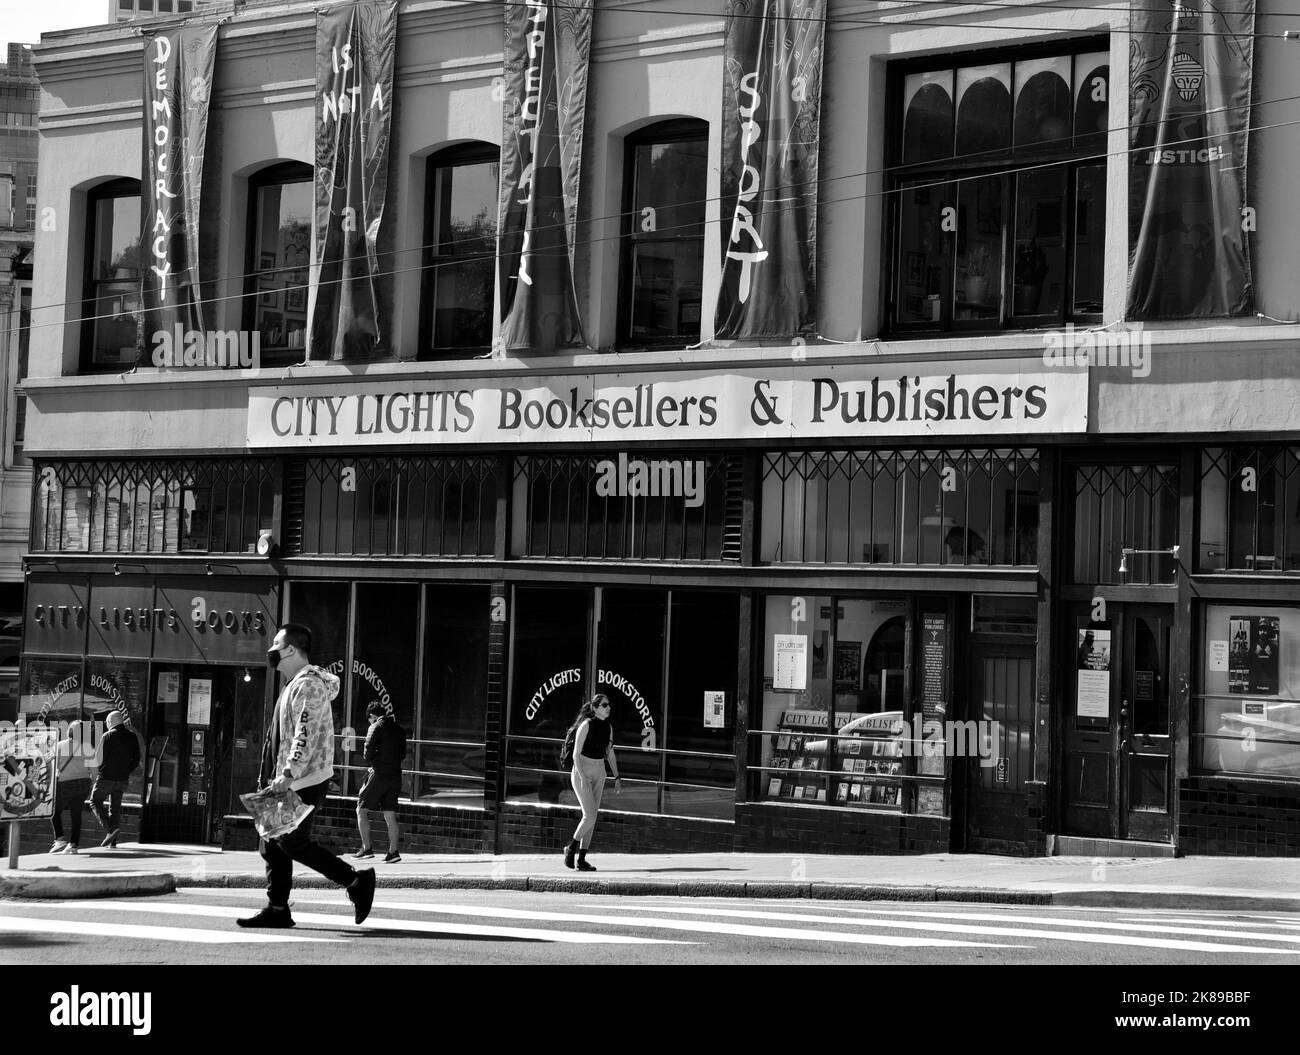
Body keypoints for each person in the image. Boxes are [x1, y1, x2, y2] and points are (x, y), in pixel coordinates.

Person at [237, 622, 375, 929]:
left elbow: (305, 732)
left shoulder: (308, 685)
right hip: (283, 779)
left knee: (292, 842)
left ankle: (356, 881)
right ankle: (277, 908)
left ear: (290, 649)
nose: (271, 650)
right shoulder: (293, 684)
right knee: (271, 844)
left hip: (304, 779)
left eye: (276, 644)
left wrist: (288, 773)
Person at [561, 693, 620, 872]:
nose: (608, 707)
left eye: (609, 704)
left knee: (592, 817)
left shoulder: (608, 727)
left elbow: (609, 753)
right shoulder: (586, 725)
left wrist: (617, 777)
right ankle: (571, 848)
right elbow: (575, 754)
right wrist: (582, 776)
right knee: (590, 815)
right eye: (604, 705)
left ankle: (582, 859)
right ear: (595, 708)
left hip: (599, 771)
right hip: (582, 771)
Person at [353, 701, 407, 863]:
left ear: (372, 716)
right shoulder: (399, 729)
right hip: (396, 775)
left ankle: (367, 848)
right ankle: (393, 852)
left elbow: (367, 754)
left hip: (379, 774)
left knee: (361, 808)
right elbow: (403, 754)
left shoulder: (375, 727)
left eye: (369, 719)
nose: (369, 722)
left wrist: (375, 762)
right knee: (390, 814)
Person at [90, 709, 140, 848]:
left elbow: (98, 759)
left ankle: (111, 830)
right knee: (115, 808)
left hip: (106, 777)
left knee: (94, 801)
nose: (106, 725)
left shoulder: (107, 736)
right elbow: (136, 759)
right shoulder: (132, 736)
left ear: (111, 722)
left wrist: (100, 773)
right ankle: (113, 842)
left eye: (107, 722)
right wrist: (126, 771)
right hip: (123, 779)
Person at [50, 720, 96, 854]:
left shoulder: (59, 746)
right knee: (76, 814)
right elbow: (94, 771)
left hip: (65, 783)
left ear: (69, 731)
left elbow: (53, 767)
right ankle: (73, 845)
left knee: (53, 810)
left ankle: (59, 839)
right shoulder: (88, 747)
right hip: (84, 783)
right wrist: (91, 785)